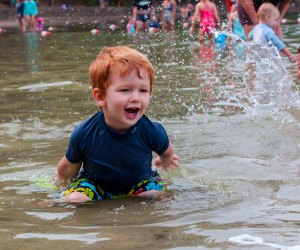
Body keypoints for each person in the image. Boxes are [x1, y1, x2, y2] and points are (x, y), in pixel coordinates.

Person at [54, 46, 180, 203]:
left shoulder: (151, 130)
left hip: (139, 182)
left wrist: (165, 160)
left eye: (143, 91)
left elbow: (167, 150)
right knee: (75, 199)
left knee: (153, 195)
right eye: (125, 90)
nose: (136, 98)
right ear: (100, 97)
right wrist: (59, 183)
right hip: (95, 184)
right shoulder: (84, 133)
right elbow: (68, 167)